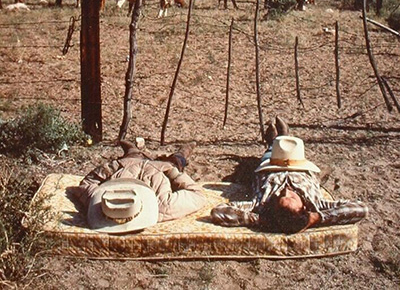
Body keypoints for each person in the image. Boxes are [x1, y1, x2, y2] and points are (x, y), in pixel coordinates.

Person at [211, 117, 368, 234]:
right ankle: (282, 138)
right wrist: (317, 218)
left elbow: (219, 212)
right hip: (299, 164)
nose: (285, 191)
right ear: (304, 208)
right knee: (291, 152)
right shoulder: (315, 204)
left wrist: (262, 220)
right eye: (292, 198)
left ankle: (274, 142)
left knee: (269, 155)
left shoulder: (262, 204)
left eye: (281, 198)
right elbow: (360, 209)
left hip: (270, 164)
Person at [68, 140, 206, 234]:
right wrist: (171, 171)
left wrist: (116, 166)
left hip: (128, 165)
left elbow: (87, 183)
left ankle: (133, 152)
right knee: (177, 161)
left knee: (132, 157)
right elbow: (196, 193)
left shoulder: (98, 201)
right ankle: (180, 155)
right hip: (155, 169)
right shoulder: (164, 206)